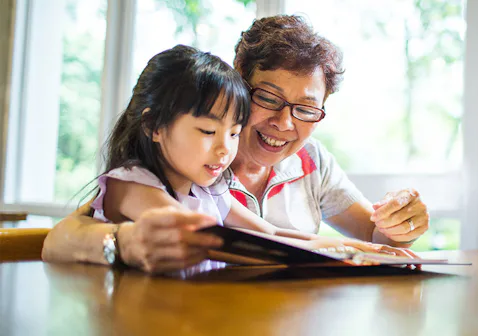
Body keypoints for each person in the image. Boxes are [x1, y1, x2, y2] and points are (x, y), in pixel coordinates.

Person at [42, 15, 429, 272]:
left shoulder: (215, 182)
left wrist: (379, 242)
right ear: (240, 85)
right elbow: (66, 235)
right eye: (269, 99)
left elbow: (274, 235)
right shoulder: (150, 176)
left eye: (305, 109)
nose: (284, 122)